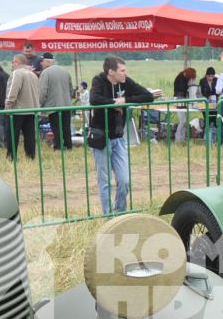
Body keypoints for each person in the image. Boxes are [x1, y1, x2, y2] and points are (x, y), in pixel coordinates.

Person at [88, 56, 159, 215]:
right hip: (101, 137)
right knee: (105, 181)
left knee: (125, 180)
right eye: (122, 71)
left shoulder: (126, 82)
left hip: (119, 138)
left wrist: (125, 100)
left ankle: (119, 211)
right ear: (111, 72)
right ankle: (108, 216)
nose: (125, 74)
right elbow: (94, 99)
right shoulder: (98, 80)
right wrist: (114, 103)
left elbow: (148, 96)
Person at [4, 53, 41, 159]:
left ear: (19, 62)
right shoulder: (32, 74)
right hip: (31, 109)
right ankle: (31, 156)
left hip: (17, 110)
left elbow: (13, 90)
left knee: (12, 134)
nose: (12, 64)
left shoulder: (17, 73)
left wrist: (8, 104)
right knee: (30, 135)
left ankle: (11, 156)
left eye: (13, 61)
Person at [38, 54, 75, 150]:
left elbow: (42, 91)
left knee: (56, 127)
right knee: (66, 127)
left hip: (53, 106)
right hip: (66, 105)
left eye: (42, 61)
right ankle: (69, 146)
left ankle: (58, 147)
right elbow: (71, 90)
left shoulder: (45, 73)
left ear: (47, 62)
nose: (41, 63)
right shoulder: (65, 71)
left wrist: (40, 105)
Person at [171, 65, 198, 142]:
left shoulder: (183, 77)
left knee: (184, 121)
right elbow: (180, 90)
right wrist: (188, 86)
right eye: (191, 77)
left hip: (182, 100)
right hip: (179, 100)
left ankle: (182, 138)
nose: (191, 79)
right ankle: (178, 138)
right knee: (183, 121)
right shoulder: (180, 79)